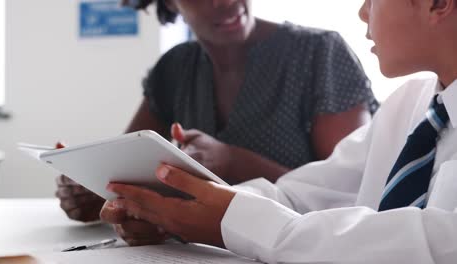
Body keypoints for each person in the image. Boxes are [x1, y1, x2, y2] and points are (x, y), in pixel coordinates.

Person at [101, 0, 457, 262]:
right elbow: (302, 194)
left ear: (438, 4)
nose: (363, 12)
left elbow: (435, 243)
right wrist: (179, 216)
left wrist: (245, 225)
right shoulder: (408, 105)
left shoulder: (317, 53)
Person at [56, 0, 378, 225]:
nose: (224, 1)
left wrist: (231, 160)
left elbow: (353, 195)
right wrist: (94, 190)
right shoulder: (174, 68)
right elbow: (123, 171)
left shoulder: (319, 54)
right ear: (169, 3)